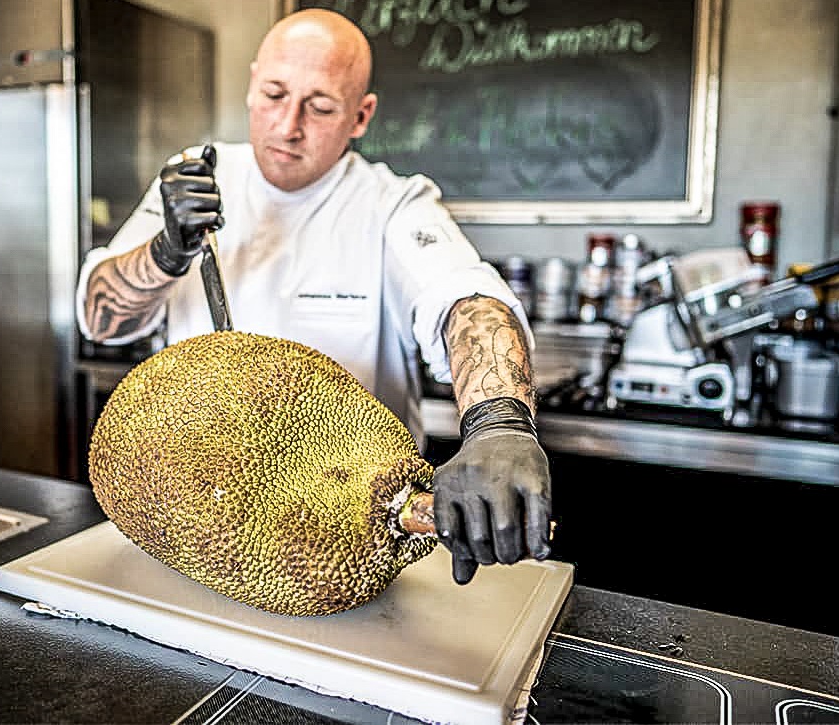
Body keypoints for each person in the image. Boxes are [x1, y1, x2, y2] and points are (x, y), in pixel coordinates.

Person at [76, 8, 551, 585]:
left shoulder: (391, 204)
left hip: (354, 534)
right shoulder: (193, 182)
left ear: (361, 115)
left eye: (321, 106)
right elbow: (100, 318)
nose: (288, 125)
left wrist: (498, 422)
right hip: (204, 522)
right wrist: (165, 252)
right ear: (252, 84)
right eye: (274, 94)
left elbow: (467, 301)